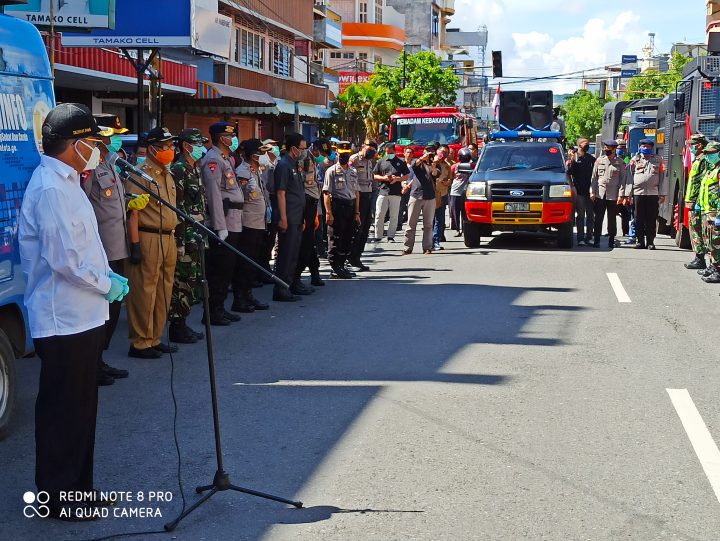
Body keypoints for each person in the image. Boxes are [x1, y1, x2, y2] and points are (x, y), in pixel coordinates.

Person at [19, 103, 129, 520]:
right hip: (63, 319)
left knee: (82, 412)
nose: (99, 149)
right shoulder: (50, 188)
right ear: (75, 145)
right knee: (63, 413)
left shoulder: (68, 182)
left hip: (84, 315)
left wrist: (104, 283)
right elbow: (65, 261)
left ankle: (80, 491)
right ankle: (57, 500)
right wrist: (108, 283)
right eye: (93, 142)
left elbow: (85, 249)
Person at [83, 121, 140, 385]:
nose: (116, 142)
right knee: (102, 308)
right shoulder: (90, 170)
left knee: (114, 308)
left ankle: (99, 359)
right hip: (103, 247)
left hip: (119, 245)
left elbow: (115, 202)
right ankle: (92, 364)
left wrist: (131, 203)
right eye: (112, 138)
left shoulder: (112, 165)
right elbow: (83, 205)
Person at [124, 127, 179, 358]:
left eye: (171, 146)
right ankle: (140, 341)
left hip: (168, 237)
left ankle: (154, 337)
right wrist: (135, 245)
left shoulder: (166, 173)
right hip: (148, 237)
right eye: (165, 146)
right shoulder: (141, 173)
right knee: (144, 290)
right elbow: (133, 212)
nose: (170, 150)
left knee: (164, 289)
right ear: (154, 148)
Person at [167, 128, 209, 343]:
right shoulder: (179, 169)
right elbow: (179, 208)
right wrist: (180, 240)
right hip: (187, 236)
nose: (201, 147)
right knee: (182, 282)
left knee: (193, 282)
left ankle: (183, 321)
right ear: (186, 145)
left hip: (198, 234)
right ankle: (176, 325)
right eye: (197, 143)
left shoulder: (195, 168)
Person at [201, 122, 244, 325]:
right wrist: (220, 226)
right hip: (223, 222)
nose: (233, 139)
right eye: (230, 135)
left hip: (233, 220)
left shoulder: (226, 159)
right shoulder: (213, 160)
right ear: (221, 138)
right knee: (218, 269)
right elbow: (214, 195)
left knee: (228, 268)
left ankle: (220, 307)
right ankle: (212, 311)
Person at [233, 138, 272, 311]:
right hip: (247, 223)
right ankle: (239, 299)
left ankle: (248, 295)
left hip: (259, 222)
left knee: (253, 262)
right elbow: (239, 196)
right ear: (253, 155)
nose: (264, 155)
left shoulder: (257, 171)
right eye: (261, 152)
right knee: (244, 263)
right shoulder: (243, 171)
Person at [273, 133, 308, 301]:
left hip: (297, 216)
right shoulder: (283, 165)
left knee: (294, 253)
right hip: (289, 216)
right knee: (286, 254)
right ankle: (281, 289)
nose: (304, 151)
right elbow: (281, 193)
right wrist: (283, 218)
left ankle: (289, 285)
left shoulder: (295, 164)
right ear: (293, 149)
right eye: (302, 148)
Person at [294, 138, 329, 288]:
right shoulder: (304, 159)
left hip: (314, 204)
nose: (321, 155)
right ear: (314, 148)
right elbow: (300, 184)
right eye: (320, 152)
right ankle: (296, 277)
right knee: (305, 242)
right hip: (305, 204)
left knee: (311, 241)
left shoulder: (313, 160)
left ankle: (314, 273)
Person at [323, 143, 360, 278]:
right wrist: (328, 212)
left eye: (346, 154)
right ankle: (335, 267)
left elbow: (356, 193)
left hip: (350, 207)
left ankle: (342, 265)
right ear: (337, 154)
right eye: (342, 154)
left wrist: (357, 213)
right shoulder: (331, 171)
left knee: (347, 237)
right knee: (335, 238)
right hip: (338, 207)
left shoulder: (353, 172)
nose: (344, 157)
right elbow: (326, 193)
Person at [623, 138, 666, 250]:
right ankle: (640, 241)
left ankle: (650, 242)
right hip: (638, 193)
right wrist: (629, 194)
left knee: (651, 218)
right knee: (638, 218)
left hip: (653, 194)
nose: (646, 148)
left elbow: (662, 177)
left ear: (652, 147)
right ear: (640, 147)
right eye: (644, 146)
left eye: (648, 146)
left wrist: (662, 194)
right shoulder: (634, 160)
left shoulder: (658, 159)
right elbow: (629, 177)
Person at [404, 144, 440, 255]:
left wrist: (433, 166)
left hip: (430, 197)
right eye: (427, 151)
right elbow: (413, 166)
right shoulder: (418, 162)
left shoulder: (436, 164)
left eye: (431, 152)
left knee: (428, 225)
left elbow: (436, 174)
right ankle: (407, 247)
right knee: (411, 223)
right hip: (416, 196)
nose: (428, 154)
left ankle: (427, 247)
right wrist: (422, 158)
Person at [348, 139, 378, 272]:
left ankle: (356, 258)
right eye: (369, 150)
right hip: (357, 197)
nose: (371, 153)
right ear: (362, 147)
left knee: (365, 229)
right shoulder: (354, 159)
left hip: (368, 195)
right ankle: (349, 257)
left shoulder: (370, 161)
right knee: (356, 229)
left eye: (373, 151)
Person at [590, 139, 626, 249]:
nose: (606, 149)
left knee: (612, 219)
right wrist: (592, 192)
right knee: (598, 218)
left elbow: (623, 180)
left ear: (614, 149)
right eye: (605, 147)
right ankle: (596, 240)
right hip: (600, 194)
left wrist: (621, 195)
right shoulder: (599, 161)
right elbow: (594, 178)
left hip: (613, 195)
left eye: (608, 148)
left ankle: (611, 240)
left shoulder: (620, 162)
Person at [372, 143, 410, 243]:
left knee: (394, 216)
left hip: (396, 192)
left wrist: (398, 179)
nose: (389, 154)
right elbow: (374, 175)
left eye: (391, 152)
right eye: (387, 152)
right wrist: (384, 178)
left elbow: (407, 176)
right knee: (379, 214)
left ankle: (390, 236)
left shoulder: (400, 162)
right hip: (383, 191)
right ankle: (378, 236)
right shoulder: (381, 161)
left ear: (395, 151)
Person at [684, 134, 709, 269]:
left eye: (692, 145)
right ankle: (698, 257)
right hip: (692, 201)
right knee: (695, 230)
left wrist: (698, 201)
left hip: (699, 202)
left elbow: (703, 184)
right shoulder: (697, 160)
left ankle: (702, 259)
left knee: (701, 231)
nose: (690, 148)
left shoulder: (704, 160)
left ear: (699, 145)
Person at [696, 142, 720, 282]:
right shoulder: (711, 169)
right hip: (707, 210)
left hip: (715, 211)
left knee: (716, 241)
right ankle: (713, 265)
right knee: (709, 240)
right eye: (707, 153)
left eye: (711, 153)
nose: (708, 156)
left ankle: (718, 269)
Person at [566, 138, 596, 246]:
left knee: (591, 216)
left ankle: (589, 237)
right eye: (585, 144)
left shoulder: (591, 158)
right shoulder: (573, 157)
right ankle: (580, 238)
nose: (587, 146)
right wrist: (572, 161)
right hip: (579, 192)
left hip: (590, 191)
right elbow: (569, 172)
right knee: (580, 216)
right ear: (579, 145)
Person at [449, 147, 473, 236]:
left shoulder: (472, 166)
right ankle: (457, 229)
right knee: (455, 212)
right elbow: (451, 178)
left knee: (465, 212)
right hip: (455, 192)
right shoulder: (454, 167)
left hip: (467, 192)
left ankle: (465, 229)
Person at [432, 144, 452, 250]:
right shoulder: (431, 163)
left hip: (442, 194)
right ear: (437, 151)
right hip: (430, 195)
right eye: (442, 151)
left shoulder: (447, 165)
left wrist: (447, 182)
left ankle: (436, 240)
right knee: (431, 219)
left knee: (439, 219)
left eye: (446, 152)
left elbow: (450, 180)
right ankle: (430, 240)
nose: (443, 153)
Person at [398, 146, 415, 228]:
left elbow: (416, 177)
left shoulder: (414, 165)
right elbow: (398, 175)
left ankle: (409, 223)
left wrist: (408, 186)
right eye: (407, 152)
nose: (409, 154)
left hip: (411, 188)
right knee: (400, 206)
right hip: (401, 187)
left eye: (411, 153)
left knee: (410, 207)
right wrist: (403, 185)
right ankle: (399, 224)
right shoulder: (400, 163)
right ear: (404, 153)